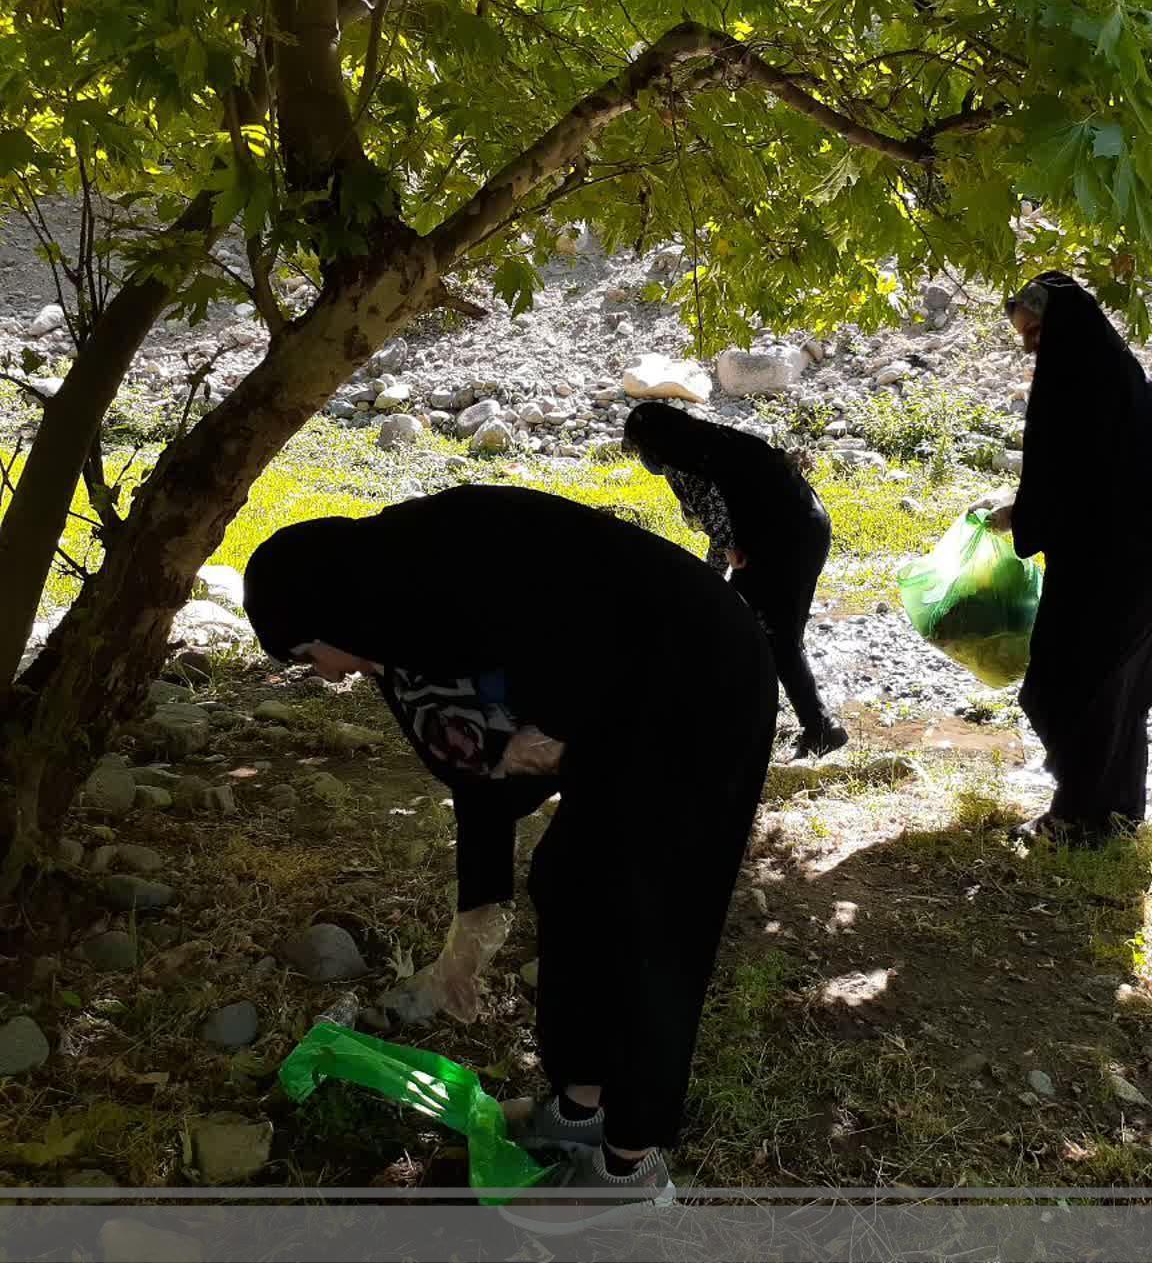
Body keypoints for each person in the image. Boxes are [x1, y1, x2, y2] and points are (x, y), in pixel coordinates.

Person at [242, 485, 778, 1223]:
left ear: (323, 613)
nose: (327, 674)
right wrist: (478, 910)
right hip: (617, 695)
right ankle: (579, 1110)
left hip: (698, 683)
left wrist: (557, 727)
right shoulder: (397, 632)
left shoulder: (450, 558)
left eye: (307, 653)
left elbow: (582, 621)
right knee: (568, 881)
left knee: (644, 915)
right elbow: (481, 780)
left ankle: (628, 1170)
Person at [978, 271, 1152, 846]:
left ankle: (1076, 816)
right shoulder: (1109, 369)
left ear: (1062, 326)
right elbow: (1086, 472)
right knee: (1115, 686)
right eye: (1025, 337)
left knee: (1066, 683)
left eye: (1036, 333)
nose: (1030, 347)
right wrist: (1025, 509)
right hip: (1148, 546)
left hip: (1126, 556)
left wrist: (1022, 516)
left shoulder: (1076, 377)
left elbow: (1065, 473)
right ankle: (1116, 812)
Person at [623, 400, 850, 759]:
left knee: (754, 630)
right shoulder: (712, 441)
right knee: (771, 633)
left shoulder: (684, 461)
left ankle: (805, 727)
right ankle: (799, 723)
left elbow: (720, 528)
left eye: (639, 448)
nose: (642, 457)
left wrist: (708, 583)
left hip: (784, 540)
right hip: (807, 525)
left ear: (652, 443)